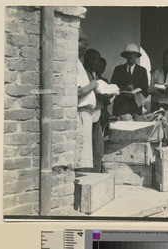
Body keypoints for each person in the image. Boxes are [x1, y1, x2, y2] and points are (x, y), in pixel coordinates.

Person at [76, 30, 98, 170]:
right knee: (81, 155)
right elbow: (78, 91)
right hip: (82, 113)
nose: (86, 46)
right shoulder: (75, 63)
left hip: (87, 114)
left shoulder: (78, 63)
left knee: (84, 155)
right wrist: (93, 85)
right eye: (84, 43)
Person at [110, 43, 148, 116]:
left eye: (133, 54)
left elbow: (145, 90)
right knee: (119, 126)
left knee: (134, 126)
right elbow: (112, 87)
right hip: (120, 106)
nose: (131, 56)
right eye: (128, 54)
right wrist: (123, 89)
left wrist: (135, 96)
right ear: (125, 55)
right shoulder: (118, 69)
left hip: (135, 107)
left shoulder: (142, 71)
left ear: (136, 55)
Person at [83, 49, 104, 173]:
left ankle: (96, 174)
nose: (98, 63)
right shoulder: (84, 74)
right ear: (89, 60)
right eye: (97, 60)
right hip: (88, 115)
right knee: (87, 150)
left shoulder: (94, 74)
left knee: (97, 149)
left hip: (97, 115)